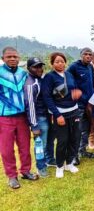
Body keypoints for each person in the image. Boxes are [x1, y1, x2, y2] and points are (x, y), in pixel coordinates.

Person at [0, 47, 38, 189]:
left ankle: (26, 171)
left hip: (22, 116)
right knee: (6, 149)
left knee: (25, 146)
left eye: (15, 56)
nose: (12, 59)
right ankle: (12, 176)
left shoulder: (24, 74)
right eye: (9, 56)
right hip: (4, 117)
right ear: (3, 58)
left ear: (19, 58)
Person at [42, 52, 82, 178]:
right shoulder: (49, 77)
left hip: (74, 111)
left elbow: (74, 89)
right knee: (62, 141)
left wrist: (76, 94)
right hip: (60, 114)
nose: (60, 63)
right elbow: (47, 97)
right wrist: (57, 115)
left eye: (62, 61)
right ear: (52, 64)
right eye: (57, 61)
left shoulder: (69, 75)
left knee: (75, 138)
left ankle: (69, 163)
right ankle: (59, 166)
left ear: (66, 62)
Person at [67, 47, 94, 164]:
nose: (88, 56)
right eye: (86, 54)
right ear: (81, 55)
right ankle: (73, 156)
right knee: (77, 130)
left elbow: (91, 83)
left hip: (90, 103)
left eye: (90, 54)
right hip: (79, 104)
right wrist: (73, 90)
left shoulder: (90, 67)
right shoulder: (74, 66)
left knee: (87, 129)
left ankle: (82, 151)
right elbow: (67, 79)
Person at [24, 57, 49, 178]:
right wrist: (34, 126)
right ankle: (41, 167)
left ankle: (47, 162)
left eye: (40, 66)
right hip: (39, 119)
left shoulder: (39, 79)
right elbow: (30, 106)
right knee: (40, 145)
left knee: (47, 143)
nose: (39, 69)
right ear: (29, 68)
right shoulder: (30, 83)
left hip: (46, 116)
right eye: (35, 67)